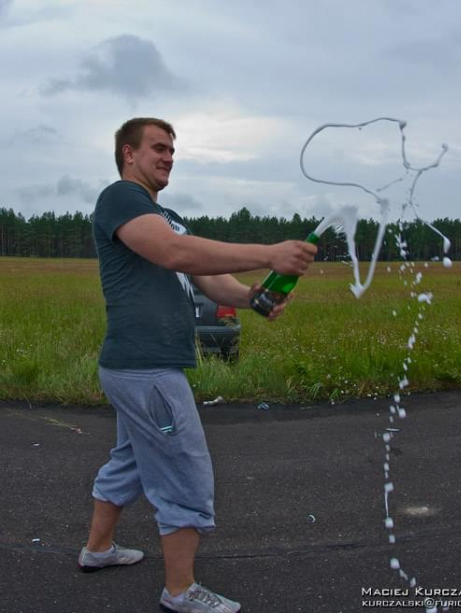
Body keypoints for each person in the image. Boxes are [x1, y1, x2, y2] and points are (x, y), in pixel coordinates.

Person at [78, 117, 317, 613]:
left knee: (131, 462)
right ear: (128, 153)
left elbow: (210, 280)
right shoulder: (122, 199)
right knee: (185, 471)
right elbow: (172, 252)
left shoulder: (168, 215)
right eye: (158, 148)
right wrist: (269, 253)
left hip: (139, 367)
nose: (168, 157)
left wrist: (254, 296)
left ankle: (97, 549)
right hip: (147, 368)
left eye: (172, 150)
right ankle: (181, 591)